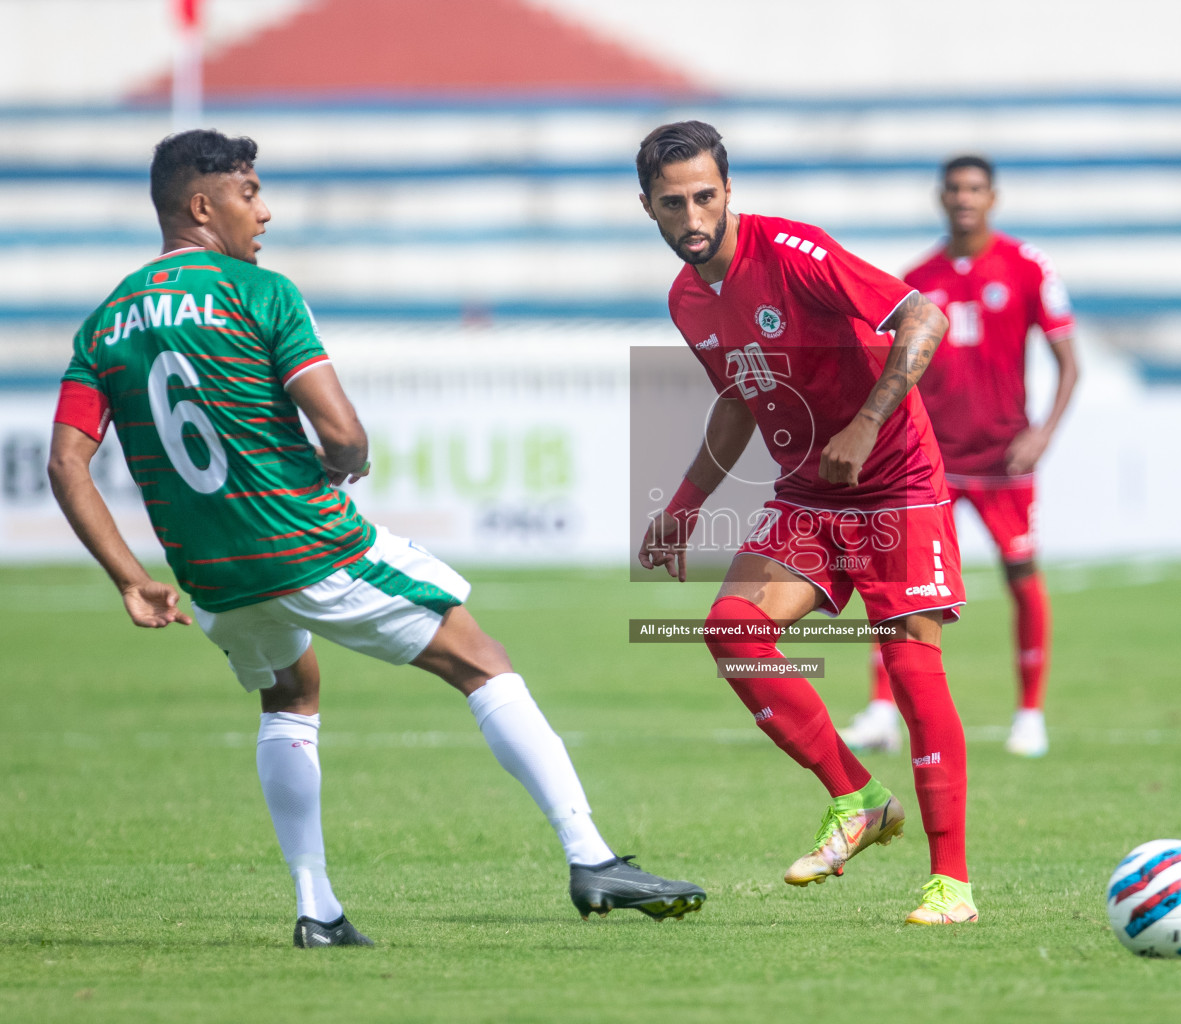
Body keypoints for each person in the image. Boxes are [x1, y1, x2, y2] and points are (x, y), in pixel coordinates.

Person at [48, 129, 705, 947]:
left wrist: (129, 577)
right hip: (307, 541)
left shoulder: (106, 321)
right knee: (481, 659)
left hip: (211, 571)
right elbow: (344, 431)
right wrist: (343, 457)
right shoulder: (260, 293)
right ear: (201, 205)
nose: (266, 210)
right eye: (250, 193)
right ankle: (592, 857)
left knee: (290, 695)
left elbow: (67, 461)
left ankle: (316, 906)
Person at [634, 121, 977, 926]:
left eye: (706, 197)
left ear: (728, 192)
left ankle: (951, 886)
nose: (693, 216)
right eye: (673, 202)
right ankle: (858, 797)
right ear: (646, 207)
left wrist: (865, 424)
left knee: (912, 672)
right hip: (810, 494)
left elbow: (924, 319)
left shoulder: (793, 251)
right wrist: (683, 508)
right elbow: (738, 402)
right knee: (731, 629)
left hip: (895, 480)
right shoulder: (687, 299)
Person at [840, 155, 1079, 759]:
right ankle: (879, 710)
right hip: (930, 461)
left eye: (975, 188)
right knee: (898, 583)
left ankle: (1030, 714)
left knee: (1022, 577)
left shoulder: (1026, 266)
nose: (964, 198)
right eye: (954, 189)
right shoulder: (918, 277)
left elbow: (1069, 361)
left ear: (992, 197)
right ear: (940, 198)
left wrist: (1044, 432)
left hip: (1005, 459)